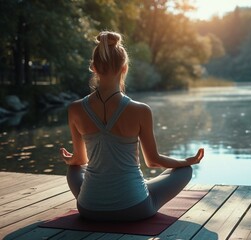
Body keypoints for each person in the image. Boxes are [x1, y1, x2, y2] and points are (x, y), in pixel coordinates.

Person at [60, 31, 204, 221]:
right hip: (135, 208)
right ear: (124, 68)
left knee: (75, 168)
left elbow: (80, 159)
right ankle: (133, 186)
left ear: (93, 67)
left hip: (88, 208)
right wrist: (187, 161)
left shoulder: (75, 109)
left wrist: (70, 160)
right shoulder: (140, 110)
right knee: (185, 171)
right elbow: (153, 161)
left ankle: (105, 194)